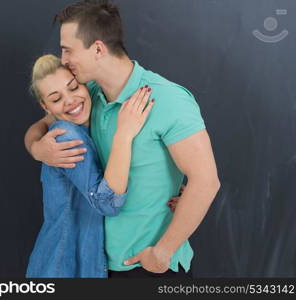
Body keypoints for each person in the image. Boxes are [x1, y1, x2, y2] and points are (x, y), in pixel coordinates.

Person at [25, 0, 220, 278]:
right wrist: (37, 149)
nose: (63, 59)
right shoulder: (86, 95)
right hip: (98, 266)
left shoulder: (166, 98)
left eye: (68, 50)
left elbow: (206, 180)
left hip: (148, 266)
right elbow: (40, 126)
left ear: (97, 49)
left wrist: (162, 252)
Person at [25, 54, 154, 278]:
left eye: (73, 87)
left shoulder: (93, 119)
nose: (70, 100)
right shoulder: (67, 136)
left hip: (83, 263)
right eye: (56, 99)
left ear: (85, 84)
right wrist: (124, 133)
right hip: (62, 266)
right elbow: (107, 203)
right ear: (45, 106)